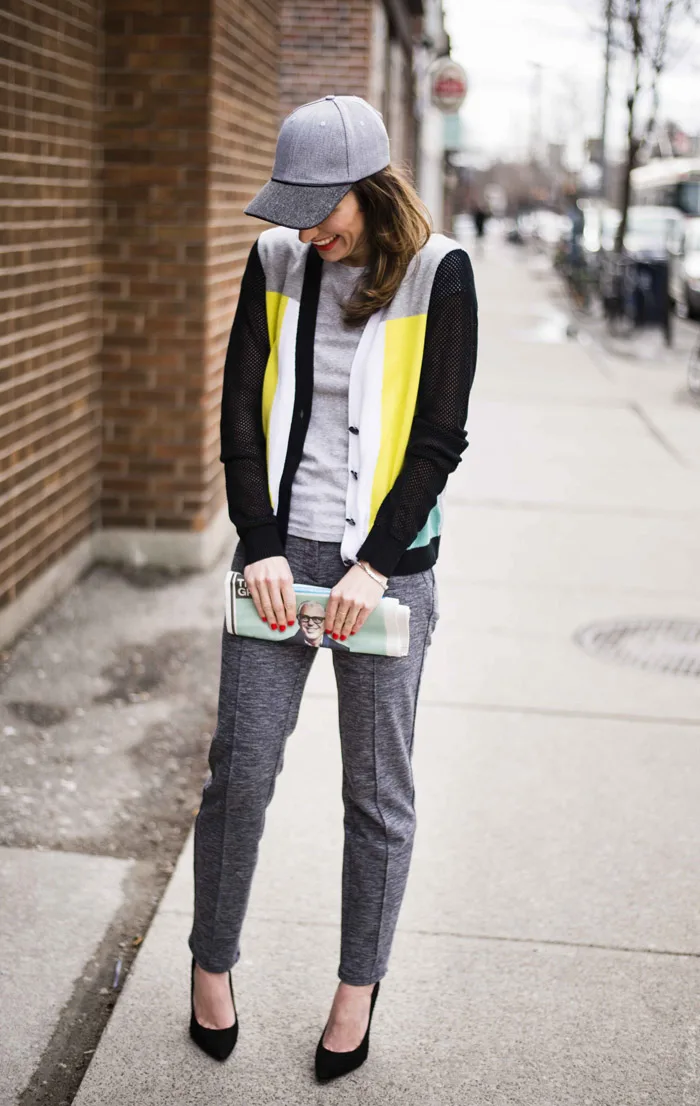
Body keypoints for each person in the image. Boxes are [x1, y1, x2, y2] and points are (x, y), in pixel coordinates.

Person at [187, 93, 478, 1081]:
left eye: (325, 210)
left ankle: (357, 988)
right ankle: (210, 964)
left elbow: (438, 437)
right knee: (241, 774)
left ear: (370, 186)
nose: (309, 229)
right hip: (277, 560)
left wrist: (372, 563)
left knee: (375, 791)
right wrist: (258, 541)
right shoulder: (274, 262)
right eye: (297, 209)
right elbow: (237, 406)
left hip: (383, 571)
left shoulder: (440, 274)